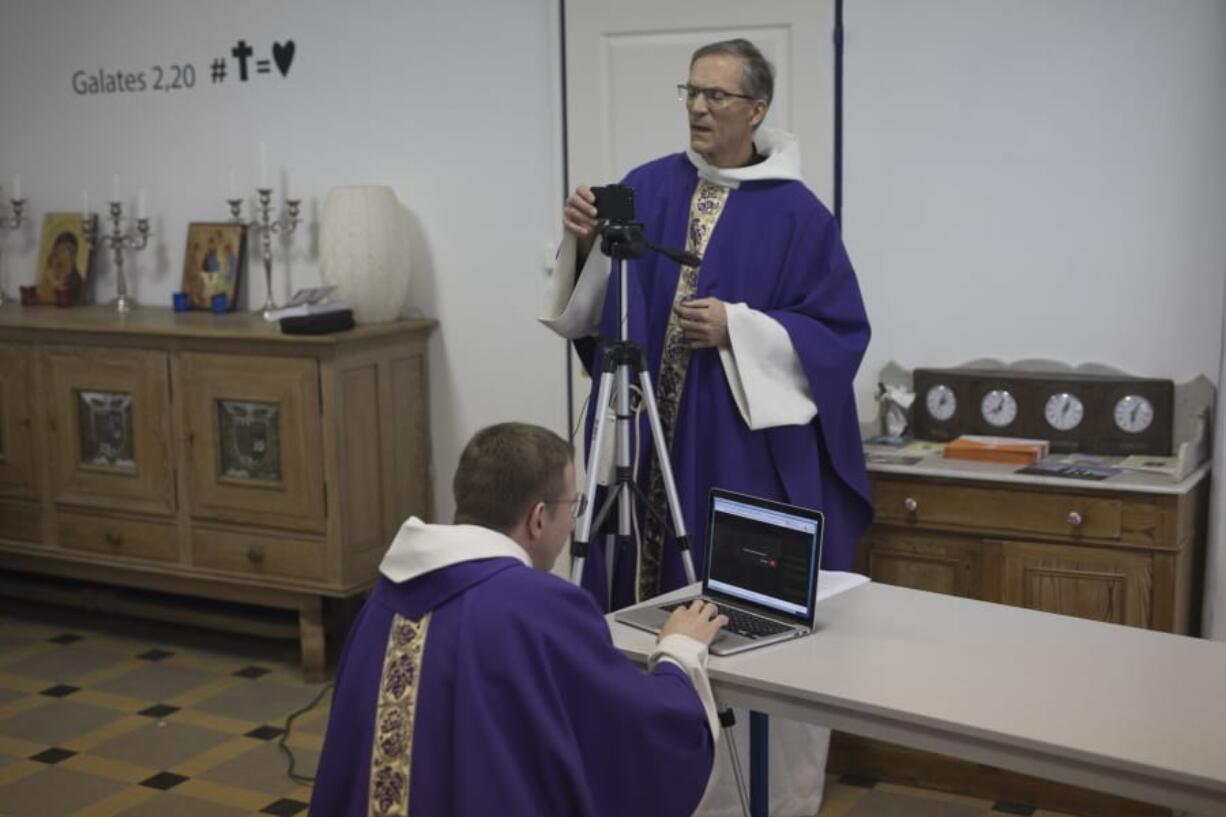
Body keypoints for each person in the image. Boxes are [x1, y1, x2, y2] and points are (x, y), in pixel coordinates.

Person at [540, 38, 873, 816]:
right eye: (691, 91)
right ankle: (621, 785)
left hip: (734, 454)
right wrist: (584, 238)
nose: (698, 107)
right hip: (638, 445)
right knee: (623, 600)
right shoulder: (649, 185)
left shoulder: (799, 214)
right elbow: (593, 310)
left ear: (756, 110)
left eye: (717, 96)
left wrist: (742, 329)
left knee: (736, 626)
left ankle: (736, 799)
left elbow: (839, 335)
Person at [311, 422, 728, 817]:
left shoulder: (385, 600)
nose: (571, 524)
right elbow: (637, 733)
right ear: (539, 517)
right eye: (573, 507)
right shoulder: (540, 606)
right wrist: (678, 653)